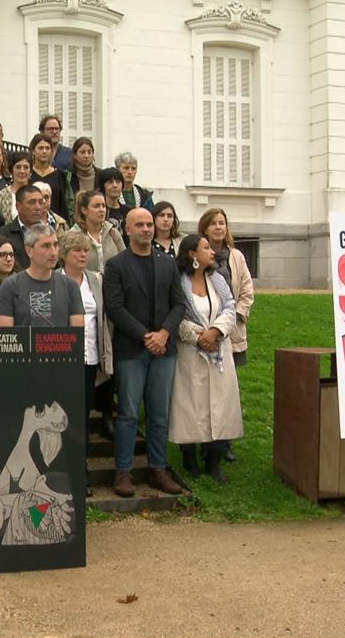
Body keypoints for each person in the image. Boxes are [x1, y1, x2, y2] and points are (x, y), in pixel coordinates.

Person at [102, 208, 186, 497]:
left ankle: (158, 469)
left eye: (150, 224)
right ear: (127, 229)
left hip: (164, 349)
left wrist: (164, 333)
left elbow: (179, 304)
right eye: (140, 224)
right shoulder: (116, 265)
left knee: (159, 414)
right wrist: (145, 335)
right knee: (127, 413)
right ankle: (123, 472)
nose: (147, 229)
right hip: (131, 350)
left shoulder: (168, 263)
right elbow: (114, 307)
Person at [170, 234, 242, 484]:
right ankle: (189, 459)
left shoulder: (218, 279)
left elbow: (230, 307)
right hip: (191, 354)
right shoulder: (179, 282)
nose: (212, 252)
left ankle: (215, 460)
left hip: (219, 350)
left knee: (221, 406)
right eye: (206, 248)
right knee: (191, 407)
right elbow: (174, 313)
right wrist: (197, 335)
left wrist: (215, 332)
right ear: (192, 254)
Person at [198, 207, 254, 463]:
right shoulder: (197, 254)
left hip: (231, 331)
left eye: (222, 223)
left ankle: (225, 442)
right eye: (214, 224)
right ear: (205, 228)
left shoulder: (237, 256)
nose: (219, 227)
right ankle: (203, 439)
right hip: (204, 332)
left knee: (227, 389)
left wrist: (234, 319)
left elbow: (246, 291)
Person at [58, 231, 115, 466]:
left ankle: (80, 470)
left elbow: (104, 317)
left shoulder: (96, 280)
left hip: (89, 358)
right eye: (77, 251)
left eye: (85, 250)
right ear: (64, 254)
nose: (83, 255)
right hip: (60, 360)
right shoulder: (54, 281)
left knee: (82, 416)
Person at [0, 224, 83, 329]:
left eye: (56, 245)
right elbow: (6, 337)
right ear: (29, 251)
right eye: (46, 246)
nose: (53, 252)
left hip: (61, 345)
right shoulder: (10, 286)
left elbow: (77, 337)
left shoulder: (70, 286)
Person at [0, 183, 47, 270]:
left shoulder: (49, 233)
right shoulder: (4, 235)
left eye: (41, 202)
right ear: (18, 206)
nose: (38, 207)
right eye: (32, 202)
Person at [70, 188, 124, 274]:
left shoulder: (113, 233)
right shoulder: (73, 236)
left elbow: (124, 262)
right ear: (84, 210)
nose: (102, 210)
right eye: (96, 206)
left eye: (104, 206)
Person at [28, 133, 69, 221]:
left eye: (47, 148)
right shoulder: (28, 174)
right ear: (33, 151)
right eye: (40, 148)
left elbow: (63, 203)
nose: (44, 151)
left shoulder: (60, 175)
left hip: (54, 221)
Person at [0, 150, 32, 224]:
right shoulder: (1, 196)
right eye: (18, 167)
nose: (22, 171)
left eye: (26, 167)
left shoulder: (37, 194)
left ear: (30, 171)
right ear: (11, 170)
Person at [65, 136, 97, 220]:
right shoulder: (67, 176)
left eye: (89, 152)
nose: (86, 156)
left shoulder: (100, 175)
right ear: (75, 155)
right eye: (82, 152)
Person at [98, 166, 129, 233]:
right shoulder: (98, 211)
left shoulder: (128, 212)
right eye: (110, 182)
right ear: (102, 186)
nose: (115, 185)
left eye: (118, 182)